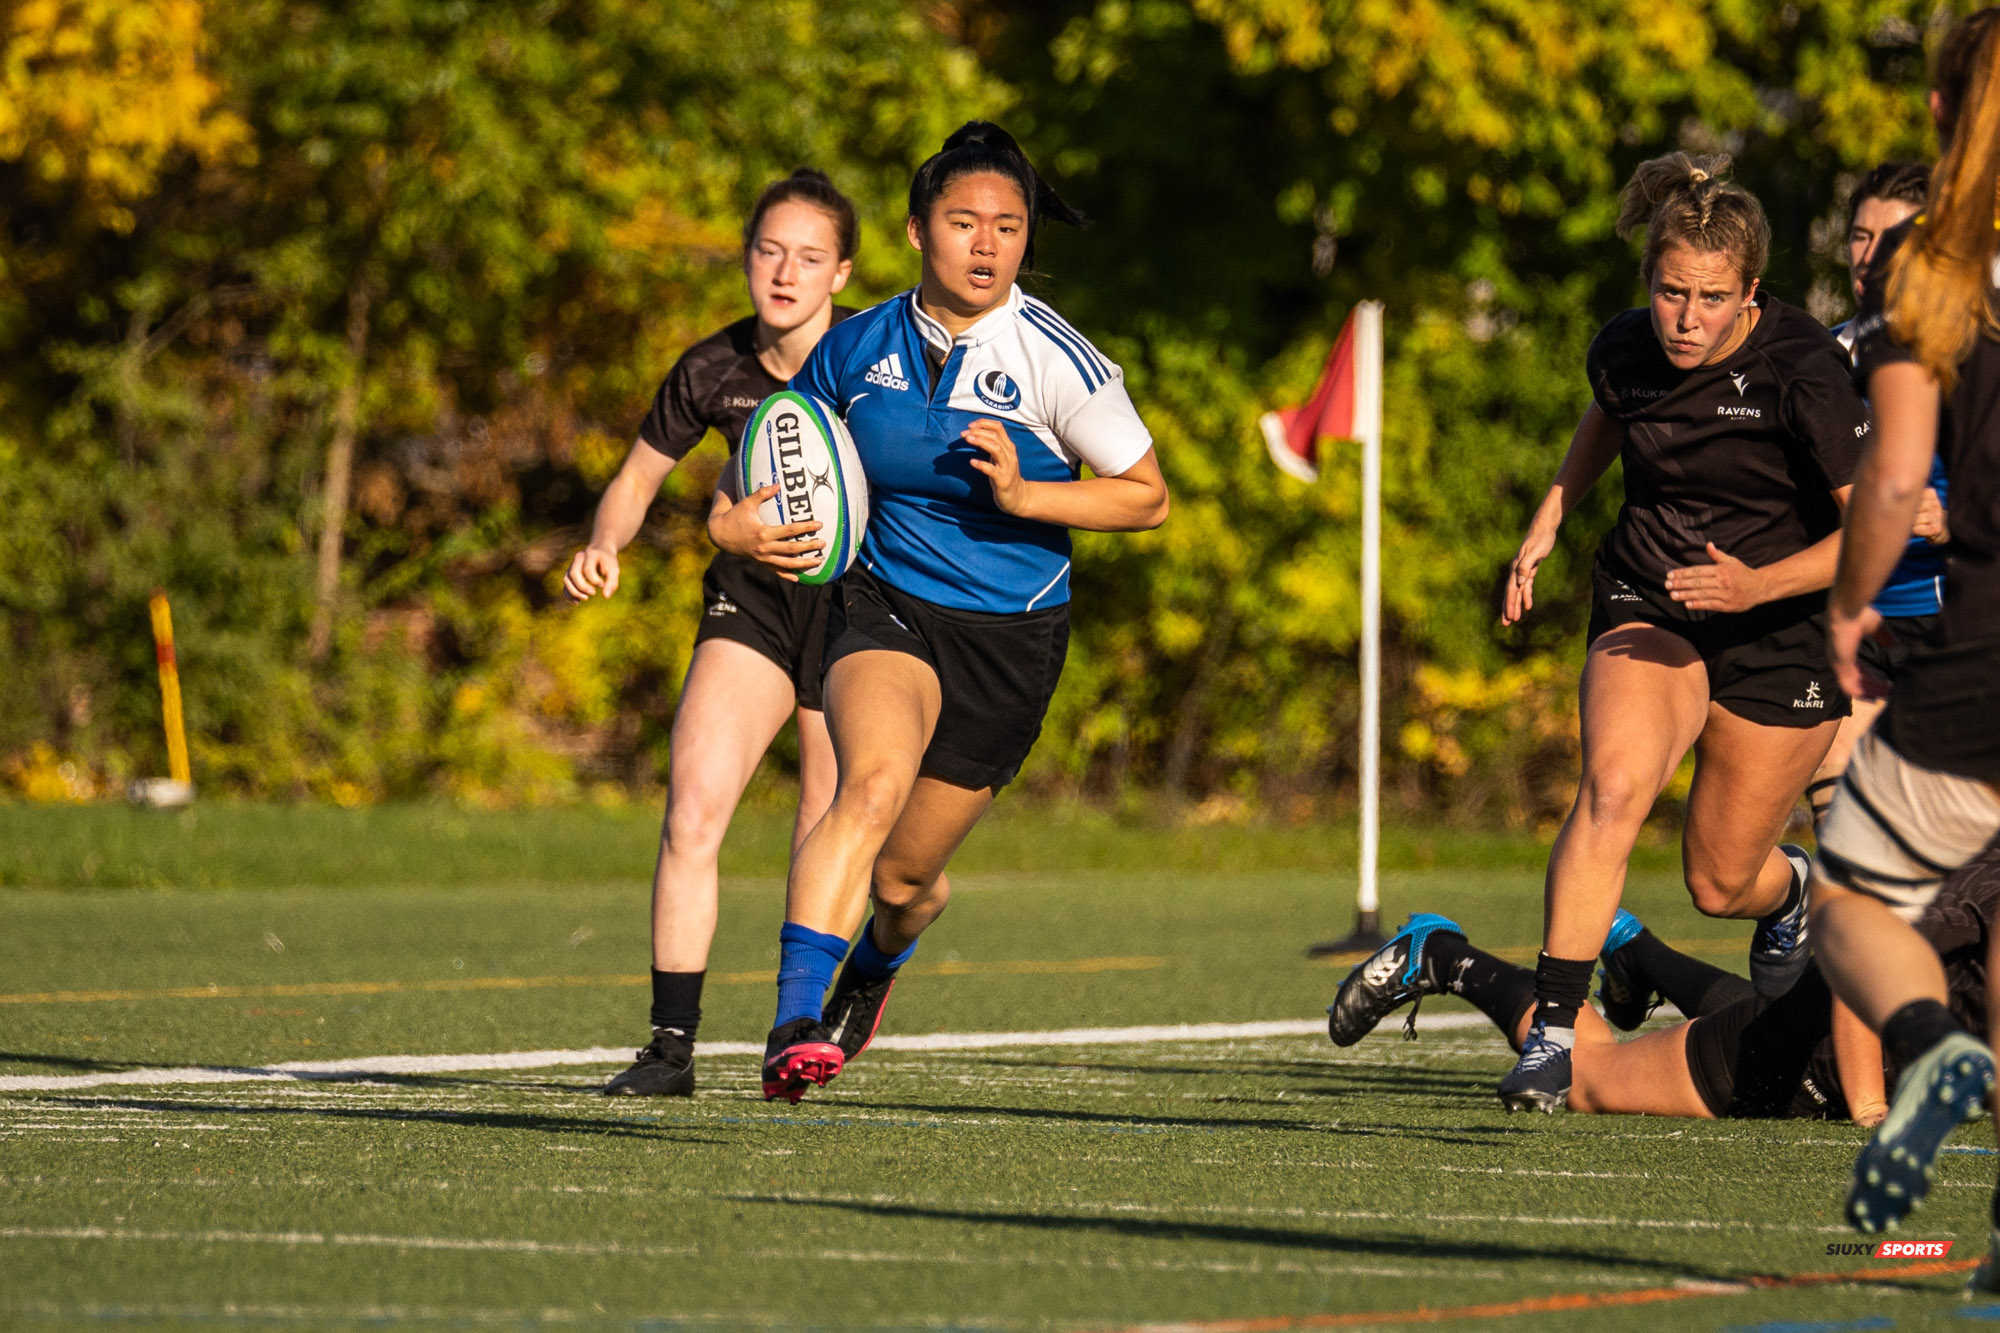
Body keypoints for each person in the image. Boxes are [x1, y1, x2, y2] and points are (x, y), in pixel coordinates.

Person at [720, 121, 1170, 1103]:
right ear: (917, 229)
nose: (986, 244)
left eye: (1007, 227)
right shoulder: (855, 346)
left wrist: (1028, 496)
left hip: (1008, 640)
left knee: (902, 881)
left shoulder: (1058, 360)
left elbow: (1146, 497)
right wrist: (733, 525)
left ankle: (877, 960)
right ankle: (793, 1022)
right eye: (964, 222)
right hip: (885, 606)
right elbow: (769, 449)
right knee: (869, 785)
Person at [1498, 153, 1872, 1112]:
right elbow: (1608, 416)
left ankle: (1790, 891)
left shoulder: (1804, 368)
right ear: (1649, 284)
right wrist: (1550, 514)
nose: (1687, 318)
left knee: (1719, 880)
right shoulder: (1626, 349)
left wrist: (1757, 585)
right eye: (1671, 293)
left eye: (1710, 298)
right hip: (1653, 599)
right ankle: (1553, 1033)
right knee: (1614, 786)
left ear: (1751, 293)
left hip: (1781, 627)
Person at [562, 169, 865, 1097]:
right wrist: (604, 543)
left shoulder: (872, 362)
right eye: (769, 251)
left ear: (841, 273)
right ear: (745, 258)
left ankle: (795, 1029)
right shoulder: (711, 368)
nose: (785, 272)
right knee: (693, 806)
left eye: (808, 257)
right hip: (754, 606)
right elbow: (636, 478)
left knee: (825, 819)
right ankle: (670, 1049)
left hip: (856, 611)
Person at [1806, 5, 2000, 1249]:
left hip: (1978, 647)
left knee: (1846, 898)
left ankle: (1928, 1046)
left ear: (1937, 113)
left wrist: (1843, 607)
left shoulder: (1927, 263)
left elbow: (1889, 480)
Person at [1325, 850, 1999, 1124]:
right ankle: (1443, 956)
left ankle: (1637, 953)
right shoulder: (1983, 886)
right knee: (1589, 1078)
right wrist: (1871, 1107)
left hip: (1806, 1024)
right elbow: (1862, 960)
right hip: (1809, 1063)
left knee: (1764, 1016)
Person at [1804, 161, 1950, 829]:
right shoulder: (1823, 360)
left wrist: (1951, 521)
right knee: (1848, 826)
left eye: (1892, 238)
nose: (1870, 256)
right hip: (1854, 622)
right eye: (1860, 237)